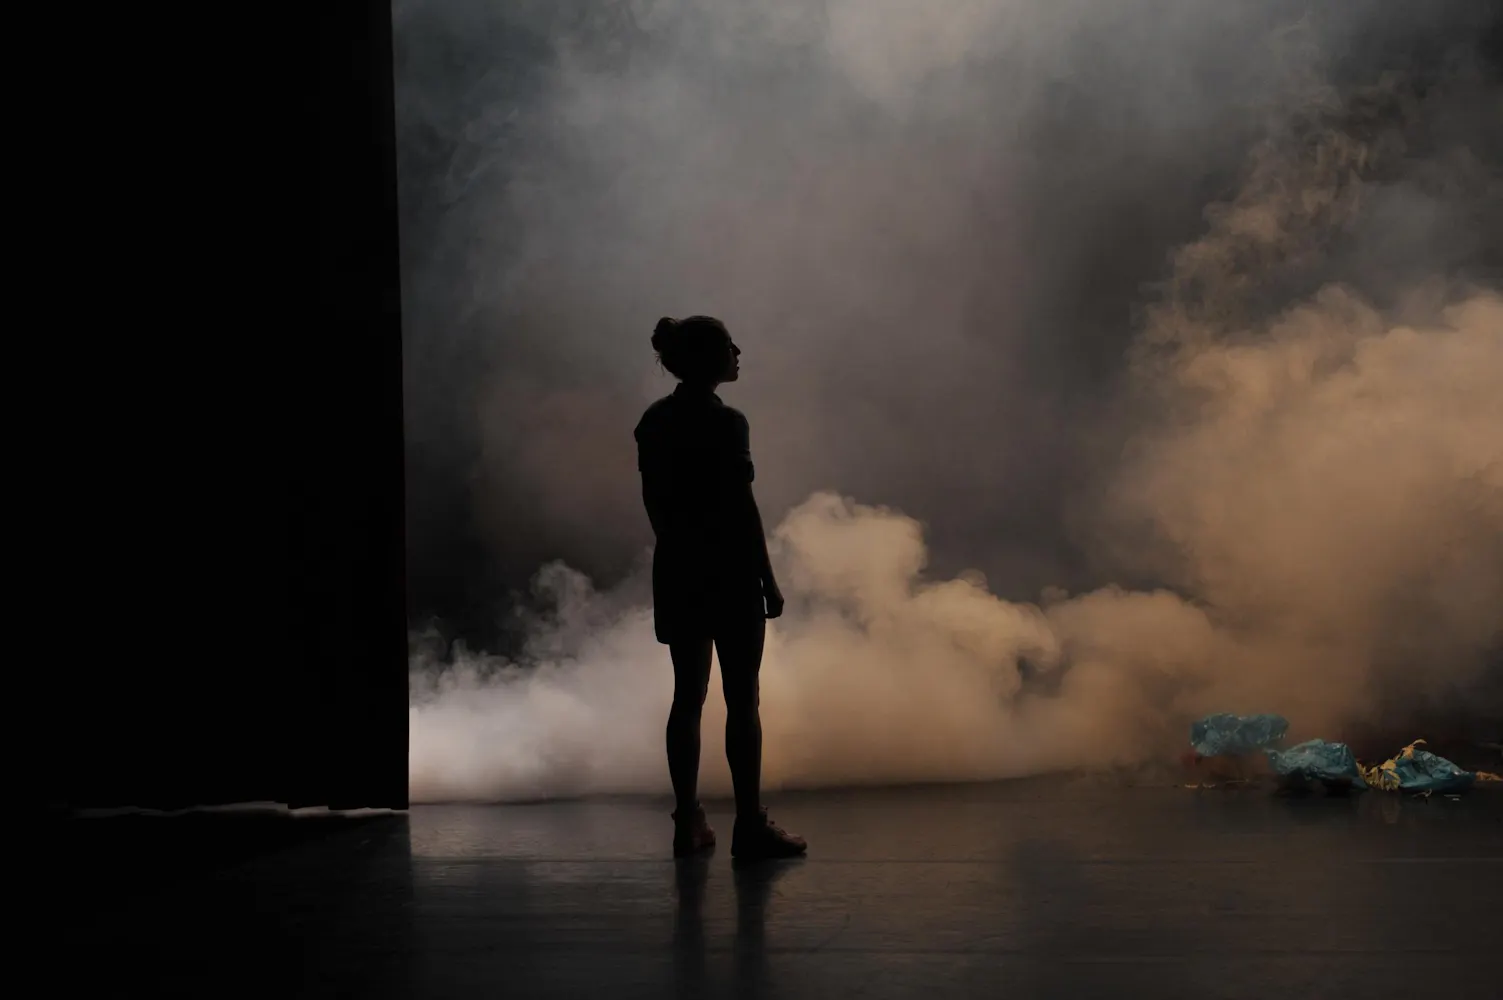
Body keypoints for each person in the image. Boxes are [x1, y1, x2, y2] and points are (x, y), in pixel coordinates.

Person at [634, 315, 807, 861]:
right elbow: (741, 506)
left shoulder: (654, 422)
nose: (739, 352)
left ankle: (687, 820)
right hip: (729, 572)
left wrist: (679, 547)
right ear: (711, 358)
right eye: (729, 346)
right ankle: (749, 826)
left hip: (679, 568)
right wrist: (767, 578)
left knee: (688, 697)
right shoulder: (727, 423)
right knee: (741, 699)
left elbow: (655, 504)